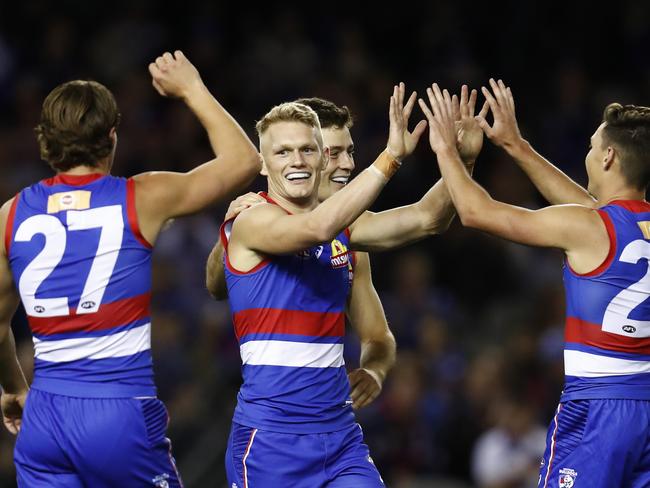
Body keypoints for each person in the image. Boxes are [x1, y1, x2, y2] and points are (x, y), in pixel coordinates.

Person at [0, 50, 261, 487]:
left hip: (43, 418)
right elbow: (244, 162)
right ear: (113, 136)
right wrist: (191, 88)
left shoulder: (10, 215)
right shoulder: (140, 197)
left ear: (45, 138)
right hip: (116, 413)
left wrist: (12, 389)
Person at [215, 84, 483, 487]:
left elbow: (427, 219)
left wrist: (461, 159)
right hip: (273, 443)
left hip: (340, 439)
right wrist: (391, 156)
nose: (344, 164)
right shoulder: (252, 216)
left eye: (349, 151)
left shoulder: (348, 237)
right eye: (331, 152)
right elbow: (307, 231)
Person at [418, 80, 650, 487]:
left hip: (598, 408)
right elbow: (592, 211)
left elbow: (475, 211)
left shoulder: (589, 226)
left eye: (593, 147)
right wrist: (515, 145)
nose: (588, 155)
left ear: (610, 156)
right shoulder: (617, 224)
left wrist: (445, 151)